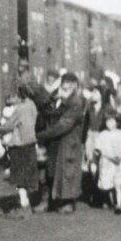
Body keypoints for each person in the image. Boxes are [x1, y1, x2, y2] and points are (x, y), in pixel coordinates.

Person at [37, 72, 85, 214]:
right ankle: (51, 202)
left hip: (68, 142)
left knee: (68, 172)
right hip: (56, 142)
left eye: (68, 84)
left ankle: (68, 203)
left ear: (75, 86)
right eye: (63, 83)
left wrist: (40, 135)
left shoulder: (75, 102)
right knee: (51, 171)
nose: (65, 86)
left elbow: (64, 125)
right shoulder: (60, 99)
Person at [0, 83, 38, 218]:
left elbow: (8, 125)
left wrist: (1, 126)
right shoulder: (33, 105)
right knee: (28, 177)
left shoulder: (20, 109)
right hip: (31, 144)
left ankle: (24, 206)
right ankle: (29, 205)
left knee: (19, 179)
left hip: (19, 145)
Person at [93, 108, 121, 214]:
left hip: (118, 163)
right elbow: (98, 149)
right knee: (108, 184)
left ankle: (119, 205)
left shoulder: (120, 133)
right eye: (107, 121)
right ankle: (111, 201)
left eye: (112, 121)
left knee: (117, 183)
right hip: (107, 163)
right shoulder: (103, 134)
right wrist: (99, 153)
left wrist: (119, 156)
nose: (109, 123)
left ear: (117, 122)